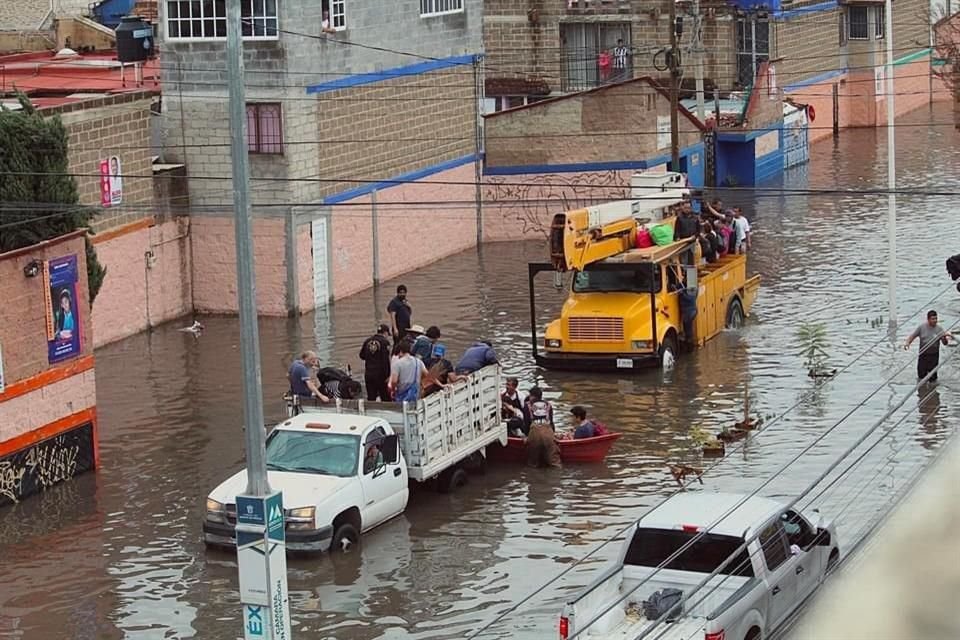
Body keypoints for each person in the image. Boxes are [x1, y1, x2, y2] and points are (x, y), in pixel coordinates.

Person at [904, 310, 953, 382]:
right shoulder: (921, 327)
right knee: (921, 376)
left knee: (933, 378)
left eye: (936, 318)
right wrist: (907, 343)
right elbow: (912, 336)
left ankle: (932, 391)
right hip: (923, 354)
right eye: (933, 319)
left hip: (934, 355)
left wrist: (944, 337)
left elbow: (945, 343)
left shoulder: (939, 329)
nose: (935, 320)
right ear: (928, 319)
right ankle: (922, 390)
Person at [524, 387, 560, 468]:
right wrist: (553, 435)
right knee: (554, 463)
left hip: (534, 433)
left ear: (533, 396)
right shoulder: (548, 405)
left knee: (533, 463)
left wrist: (526, 436)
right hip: (548, 432)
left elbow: (526, 423)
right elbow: (551, 422)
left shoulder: (527, 405)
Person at [359, 324, 392, 401]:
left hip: (369, 374)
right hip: (381, 375)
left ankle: (370, 412)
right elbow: (385, 361)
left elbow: (362, 356)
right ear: (385, 333)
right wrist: (388, 375)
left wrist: (371, 357)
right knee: (385, 397)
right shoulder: (385, 342)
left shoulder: (367, 341)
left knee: (371, 397)